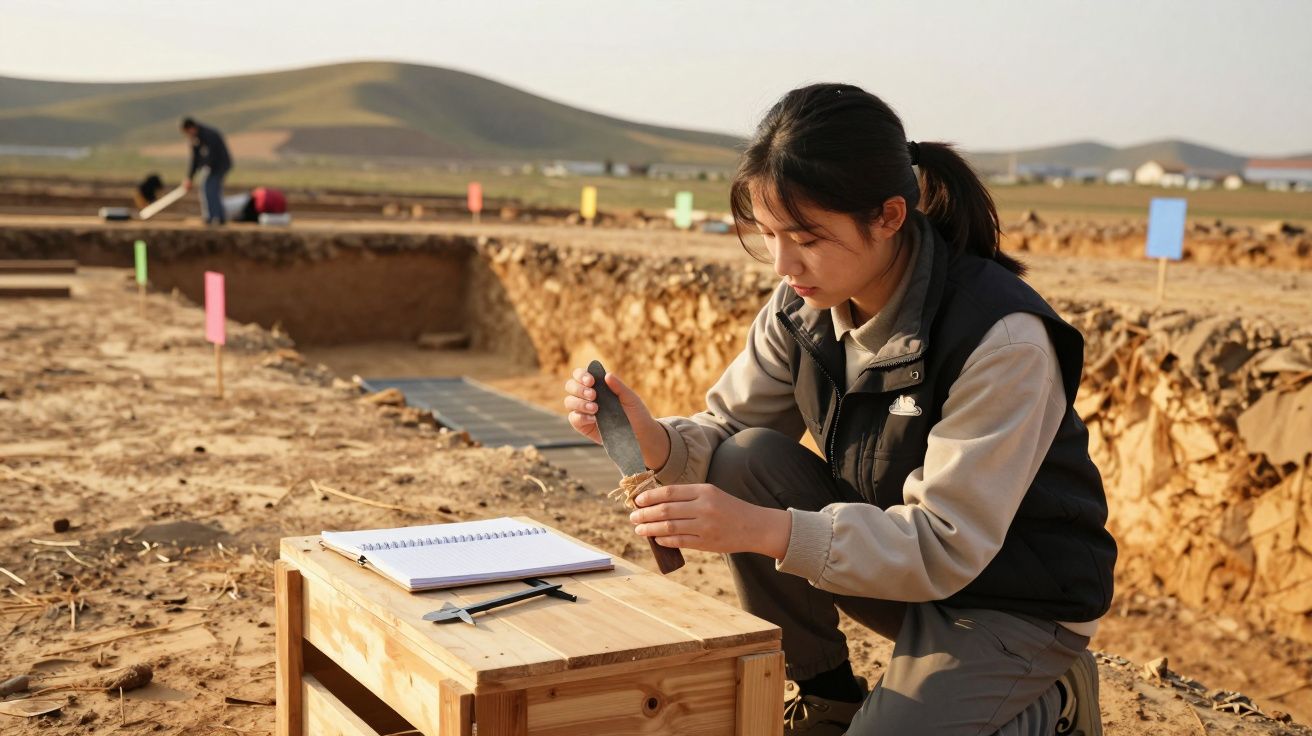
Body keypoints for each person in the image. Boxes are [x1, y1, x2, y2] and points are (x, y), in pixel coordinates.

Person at [563, 83, 1116, 735]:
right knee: (744, 459)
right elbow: (729, 431)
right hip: (903, 577)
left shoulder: (1002, 340)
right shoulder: (801, 309)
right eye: (768, 235)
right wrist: (653, 439)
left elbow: (946, 542)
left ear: (888, 217)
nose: (782, 263)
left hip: (1014, 601)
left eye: (806, 237)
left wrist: (763, 530)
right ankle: (829, 699)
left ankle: (1053, 700)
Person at [180, 117, 233, 225]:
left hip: (220, 165)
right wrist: (189, 178)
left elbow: (211, 156)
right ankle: (216, 217)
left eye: (187, 132)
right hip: (212, 167)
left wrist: (203, 166)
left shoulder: (208, 135)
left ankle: (214, 217)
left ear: (191, 128)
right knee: (208, 188)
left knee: (210, 188)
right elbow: (195, 160)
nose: (188, 135)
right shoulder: (196, 138)